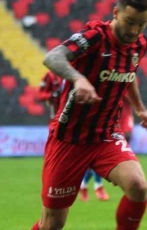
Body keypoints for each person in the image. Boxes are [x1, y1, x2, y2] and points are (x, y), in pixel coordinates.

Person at [29, 0, 147, 230]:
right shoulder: (94, 37)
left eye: (141, 24)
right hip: (69, 139)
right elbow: (53, 56)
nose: (134, 30)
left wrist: (139, 107)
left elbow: (129, 72)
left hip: (105, 135)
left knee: (138, 186)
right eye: (129, 22)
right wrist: (78, 78)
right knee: (52, 224)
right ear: (115, 13)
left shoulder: (139, 43)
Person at [38, 71, 110, 202]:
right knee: (63, 162)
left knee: (92, 155)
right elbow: (41, 94)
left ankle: (97, 186)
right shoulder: (50, 75)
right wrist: (53, 95)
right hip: (57, 124)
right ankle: (61, 190)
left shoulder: (83, 69)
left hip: (79, 122)